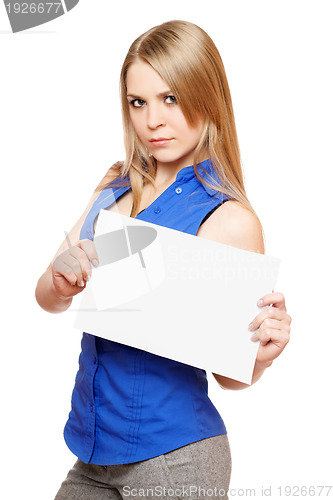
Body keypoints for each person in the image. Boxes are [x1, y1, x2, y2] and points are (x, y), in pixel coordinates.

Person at [35, 20, 292, 500]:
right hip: (92, 453)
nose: (152, 120)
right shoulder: (114, 185)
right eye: (139, 102)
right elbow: (47, 296)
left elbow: (229, 375)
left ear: (206, 97)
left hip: (176, 460)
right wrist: (62, 278)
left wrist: (260, 359)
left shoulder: (227, 218)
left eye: (170, 98)